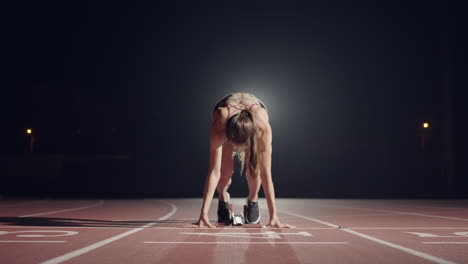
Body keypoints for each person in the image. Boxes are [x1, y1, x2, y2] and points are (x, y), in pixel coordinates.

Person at [193, 92, 294, 228]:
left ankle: (253, 199)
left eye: (242, 146)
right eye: (235, 144)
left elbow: (266, 173)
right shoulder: (220, 122)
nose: (238, 149)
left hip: (252, 123)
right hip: (229, 118)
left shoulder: (261, 127)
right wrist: (203, 214)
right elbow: (214, 172)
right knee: (224, 175)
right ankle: (223, 198)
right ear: (227, 136)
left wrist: (274, 216)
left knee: (255, 172)